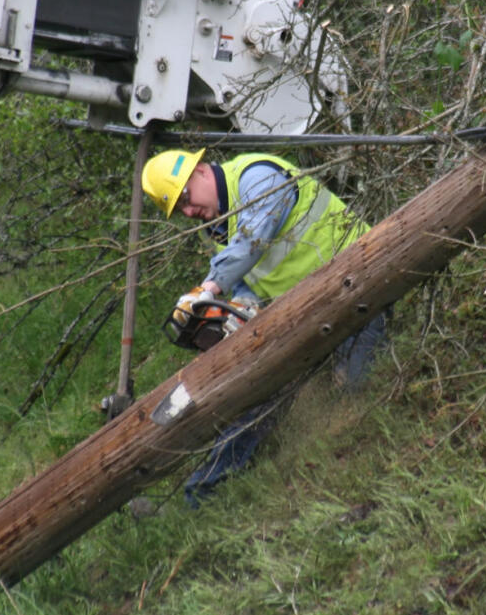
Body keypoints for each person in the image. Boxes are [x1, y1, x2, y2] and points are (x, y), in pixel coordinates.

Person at [142, 148, 389, 505]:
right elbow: (249, 278)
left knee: (354, 387)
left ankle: (351, 462)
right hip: (306, 312)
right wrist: (237, 308)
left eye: (186, 199)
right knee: (258, 390)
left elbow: (253, 241)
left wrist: (208, 288)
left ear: (198, 172)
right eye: (180, 210)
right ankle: (204, 494)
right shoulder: (219, 228)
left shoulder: (257, 175)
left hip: (360, 280)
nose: (190, 212)